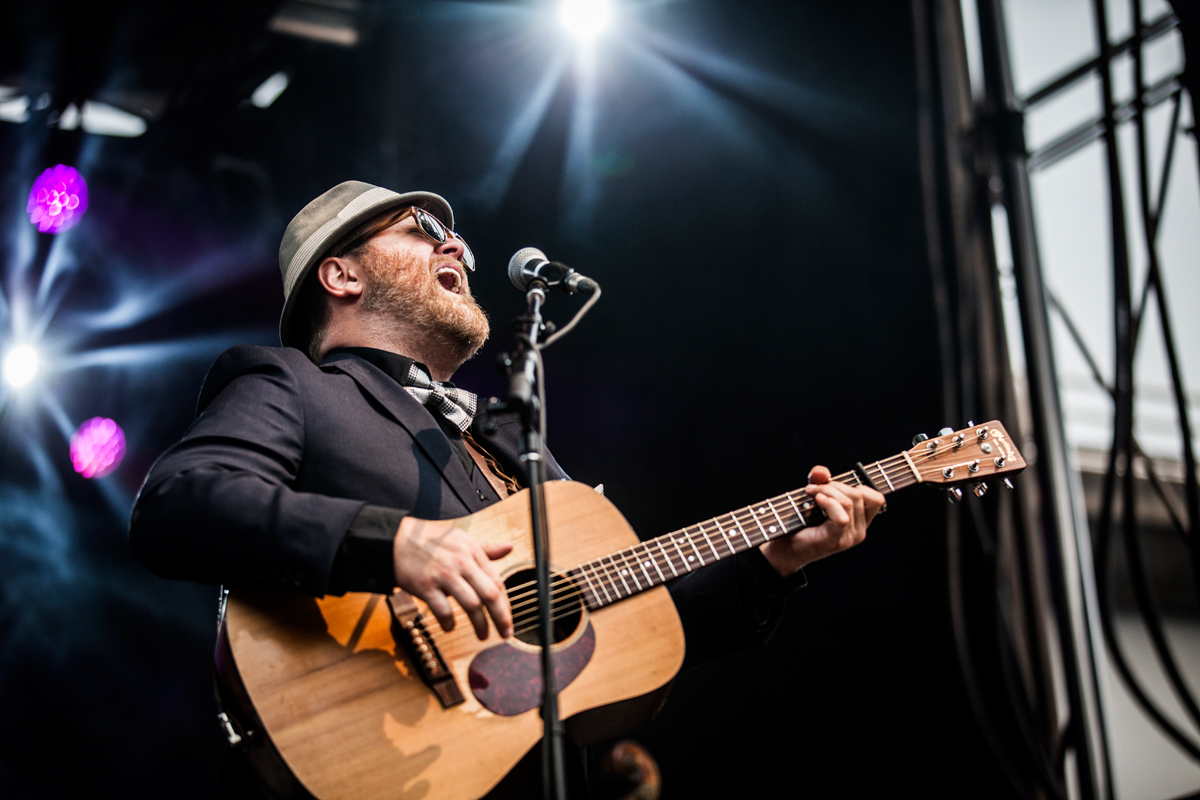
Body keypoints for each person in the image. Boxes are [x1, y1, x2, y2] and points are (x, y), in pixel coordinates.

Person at [129, 181, 884, 798]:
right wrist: (389, 543)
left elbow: (633, 627)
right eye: (422, 227)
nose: (455, 242)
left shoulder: (506, 441)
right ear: (342, 274)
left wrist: (772, 563)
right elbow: (180, 502)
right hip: (364, 763)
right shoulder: (293, 384)